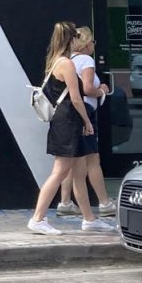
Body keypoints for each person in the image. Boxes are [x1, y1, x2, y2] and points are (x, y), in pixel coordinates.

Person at [28, 22, 115, 235]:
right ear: (71, 39)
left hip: (64, 121)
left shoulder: (55, 61)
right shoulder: (66, 63)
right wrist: (86, 121)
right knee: (60, 171)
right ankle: (38, 218)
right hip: (68, 121)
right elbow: (76, 98)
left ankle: (89, 218)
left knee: (78, 171)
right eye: (76, 35)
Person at [58, 26, 114, 217]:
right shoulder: (86, 60)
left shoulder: (67, 61)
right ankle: (104, 202)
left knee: (70, 160)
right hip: (85, 112)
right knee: (92, 159)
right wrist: (103, 91)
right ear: (87, 43)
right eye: (93, 42)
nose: (93, 46)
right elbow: (88, 89)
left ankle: (65, 201)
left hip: (68, 115)